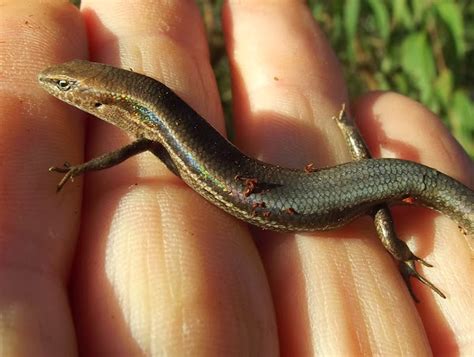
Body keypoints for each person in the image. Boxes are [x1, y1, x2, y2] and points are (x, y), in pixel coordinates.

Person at [1, 1, 472, 355]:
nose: (57, 88)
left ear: (102, 101)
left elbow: (129, 149)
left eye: (66, 88)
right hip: (358, 179)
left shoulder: (152, 132)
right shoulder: (156, 120)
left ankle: (405, 258)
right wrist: (349, 132)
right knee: (373, 190)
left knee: (376, 205)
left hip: (344, 198)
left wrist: (82, 168)